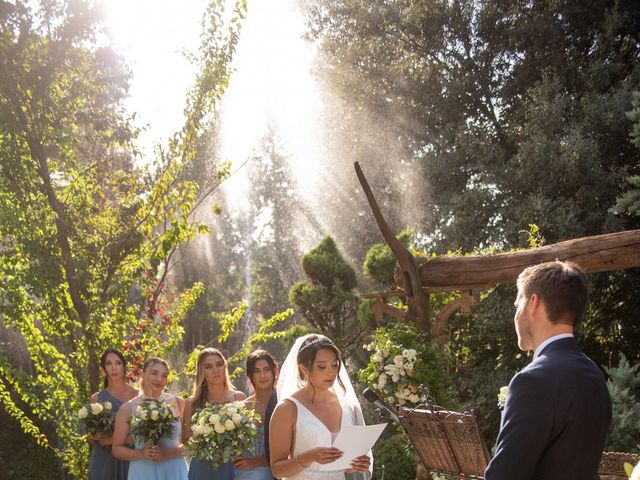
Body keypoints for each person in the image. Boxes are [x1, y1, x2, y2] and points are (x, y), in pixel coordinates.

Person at [484, 261, 612, 480]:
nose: (515, 315)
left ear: (533, 302)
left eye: (517, 305)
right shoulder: (594, 376)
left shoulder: (532, 381)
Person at [269, 334, 372, 480]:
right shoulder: (287, 409)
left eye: (335, 364)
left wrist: (358, 463)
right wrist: (310, 456)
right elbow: (277, 471)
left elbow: (347, 464)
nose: (331, 372)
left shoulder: (345, 405)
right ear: (303, 368)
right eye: (321, 366)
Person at [112, 357, 188, 480]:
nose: (159, 379)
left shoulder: (178, 403)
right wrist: (141, 453)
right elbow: (116, 449)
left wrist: (166, 453)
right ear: (142, 374)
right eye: (154, 373)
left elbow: (192, 446)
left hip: (174, 470)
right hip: (143, 471)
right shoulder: (127, 408)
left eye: (164, 375)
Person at [182, 348, 247, 480]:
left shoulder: (239, 398)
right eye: (208, 367)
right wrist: (208, 439)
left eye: (219, 364)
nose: (216, 370)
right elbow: (185, 439)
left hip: (231, 465)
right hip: (202, 467)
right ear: (201, 372)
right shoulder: (192, 402)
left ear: (225, 367)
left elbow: (247, 435)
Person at [88, 349, 139, 480]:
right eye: (109, 364)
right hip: (103, 459)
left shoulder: (137, 395)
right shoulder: (95, 399)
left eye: (118, 363)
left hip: (129, 457)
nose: (114, 368)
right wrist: (95, 436)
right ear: (103, 370)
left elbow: (141, 434)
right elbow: (89, 436)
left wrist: (113, 440)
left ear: (124, 367)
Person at [233, 349, 278, 480]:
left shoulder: (283, 403)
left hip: (274, 473)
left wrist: (257, 462)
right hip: (244, 474)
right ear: (250, 375)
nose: (262, 375)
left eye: (266, 369)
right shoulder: (242, 407)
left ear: (274, 371)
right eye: (257, 371)